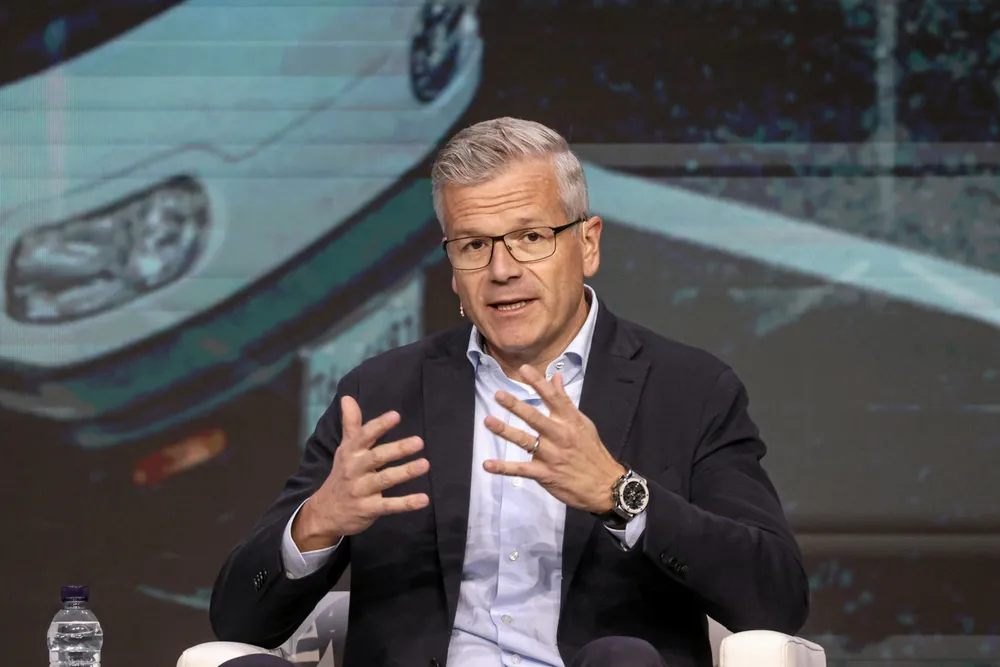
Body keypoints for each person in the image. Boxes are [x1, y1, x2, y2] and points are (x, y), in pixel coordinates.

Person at [209, 117, 810, 667]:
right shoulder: (382, 394)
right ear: (453, 270)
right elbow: (237, 621)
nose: (502, 270)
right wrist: (318, 522)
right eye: (474, 245)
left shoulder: (690, 390)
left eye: (530, 237)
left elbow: (776, 598)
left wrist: (620, 495)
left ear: (588, 244)